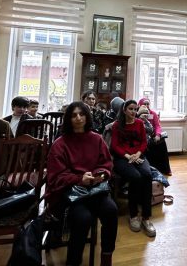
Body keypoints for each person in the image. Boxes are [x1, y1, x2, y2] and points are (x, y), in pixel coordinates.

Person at [46, 101, 117, 266]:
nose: (78, 118)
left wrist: (101, 174)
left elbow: (106, 163)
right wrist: (79, 179)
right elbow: (56, 176)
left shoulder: (97, 139)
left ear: (87, 117)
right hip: (70, 193)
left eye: (82, 114)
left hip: (95, 190)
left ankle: (106, 256)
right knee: (83, 218)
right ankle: (73, 261)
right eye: (74, 115)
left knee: (111, 210)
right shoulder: (60, 143)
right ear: (68, 119)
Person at [110, 99, 156, 237]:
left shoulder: (140, 123)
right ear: (124, 110)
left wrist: (138, 154)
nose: (134, 112)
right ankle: (133, 215)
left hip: (138, 155)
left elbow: (144, 142)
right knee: (135, 177)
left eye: (135, 109)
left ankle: (146, 217)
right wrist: (127, 156)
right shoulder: (117, 125)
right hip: (122, 158)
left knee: (147, 175)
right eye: (131, 109)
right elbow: (115, 145)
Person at [137, 98, 171, 175]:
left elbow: (157, 126)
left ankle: (166, 169)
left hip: (151, 135)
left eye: (147, 104)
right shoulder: (137, 114)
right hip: (141, 137)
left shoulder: (153, 113)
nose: (146, 105)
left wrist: (158, 135)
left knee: (162, 143)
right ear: (140, 105)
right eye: (144, 104)